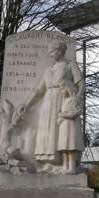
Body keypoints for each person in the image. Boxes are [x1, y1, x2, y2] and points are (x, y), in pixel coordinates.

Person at [15, 42, 83, 173]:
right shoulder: (48, 70)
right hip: (48, 102)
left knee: (62, 134)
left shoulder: (70, 65)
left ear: (60, 51)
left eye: (52, 51)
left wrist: (75, 100)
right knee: (47, 132)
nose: (50, 54)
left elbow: (81, 85)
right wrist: (26, 105)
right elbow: (38, 91)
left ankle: (63, 164)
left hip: (62, 101)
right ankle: (48, 163)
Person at [57, 78, 83, 174]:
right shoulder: (65, 101)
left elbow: (76, 113)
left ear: (67, 87)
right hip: (64, 126)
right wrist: (59, 118)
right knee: (64, 147)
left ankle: (72, 168)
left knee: (71, 147)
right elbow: (61, 113)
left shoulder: (76, 99)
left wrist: (64, 115)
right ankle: (65, 166)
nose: (61, 91)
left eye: (62, 88)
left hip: (72, 126)